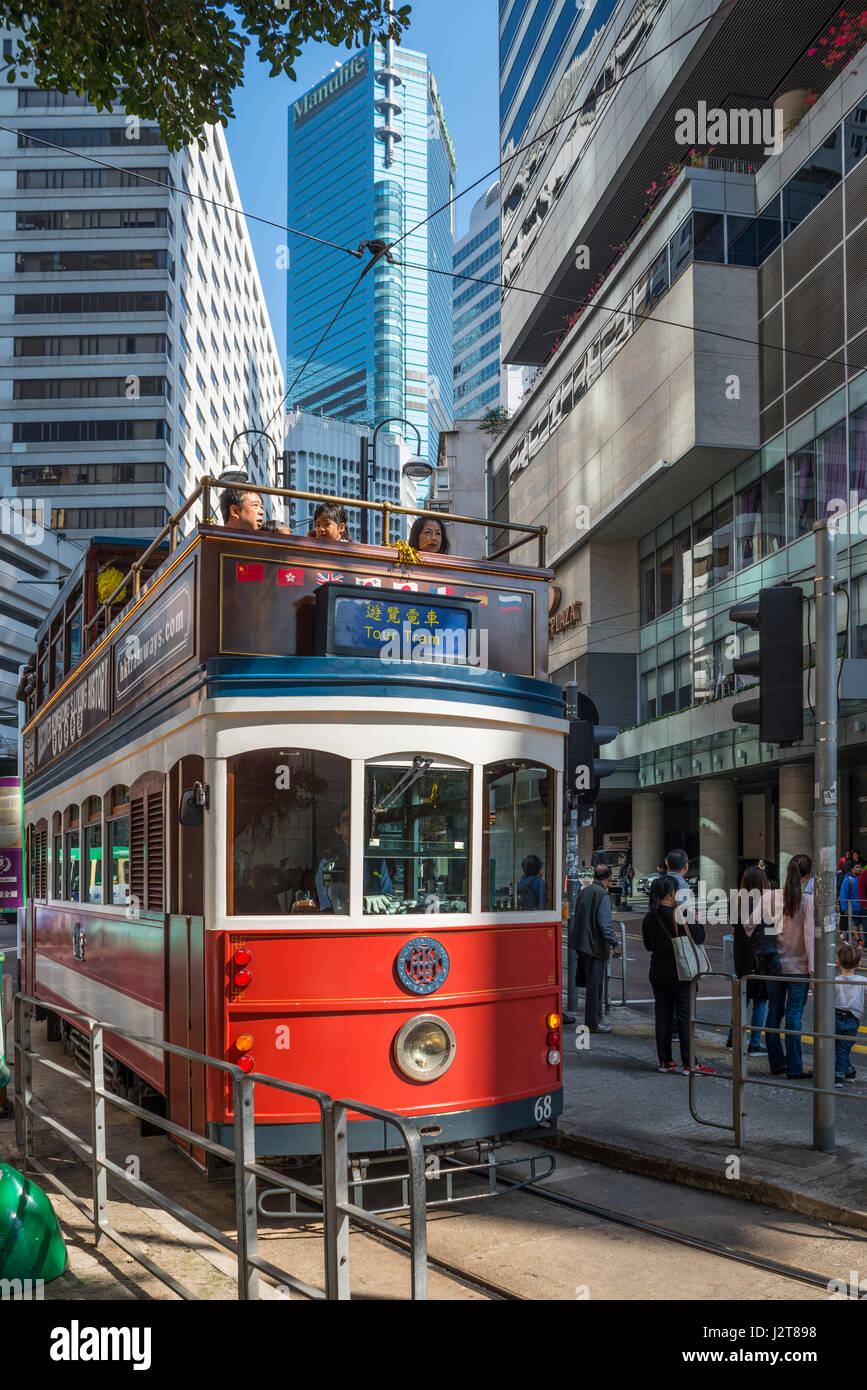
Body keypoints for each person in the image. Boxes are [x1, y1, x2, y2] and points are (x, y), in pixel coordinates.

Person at [642, 874, 713, 1075]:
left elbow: (648, 945)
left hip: (657, 972)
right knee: (685, 1017)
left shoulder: (650, 916)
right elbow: (699, 937)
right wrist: (696, 919)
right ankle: (689, 1063)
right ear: (673, 893)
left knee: (662, 1016)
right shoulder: (682, 913)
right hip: (681, 972)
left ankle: (665, 1061)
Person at [765, 853, 814, 1080]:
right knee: (794, 1017)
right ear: (808, 876)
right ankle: (795, 1068)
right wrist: (813, 972)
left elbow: (750, 925)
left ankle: (776, 1063)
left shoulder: (771, 897)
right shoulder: (808, 901)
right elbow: (810, 938)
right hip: (799, 969)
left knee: (773, 1013)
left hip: (774, 966)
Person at [726, 865, 775, 1054]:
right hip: (759, 958)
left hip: (741, 958)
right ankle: (754, 1043)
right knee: (760, 1001)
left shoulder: (737, 901)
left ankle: (732, 1039)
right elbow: (772, 931)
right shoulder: (767, 903)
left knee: (741, 1001)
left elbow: (734, 930)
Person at [569, 864, 622, 1033]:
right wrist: (615, 943)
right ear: (609, 877)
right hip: (594, 946)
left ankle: (594, 1019)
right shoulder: (603, 895)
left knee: (592, 985)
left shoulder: (585, 891)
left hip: (581, 944)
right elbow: (604, 924)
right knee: (595, 986)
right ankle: (593, 1022)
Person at [834, 943, 866, 1086]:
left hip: (835, 1016)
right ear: (859, 964)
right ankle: (844, 1073)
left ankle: (844, 1073)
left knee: (838, 1048)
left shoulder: (834, 980)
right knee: (844, 1048)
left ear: (838, 963)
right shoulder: (863, 981)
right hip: (853, 1018)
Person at [665, 848, 696, 922]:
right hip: (674, 929)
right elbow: (684, 914)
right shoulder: (683, 886)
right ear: (686, 866)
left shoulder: (658, 882)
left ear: (667, 866)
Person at [840, 861, 862, 944]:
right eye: (857, 867)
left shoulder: (862, 878)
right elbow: (843, 895)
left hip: (862, 908)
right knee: (855, 926)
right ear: (852, 869)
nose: (859, 869)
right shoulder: (847, 880)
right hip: (853, 908)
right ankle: (860, 943)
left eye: (860, 867)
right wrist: (845, 908)